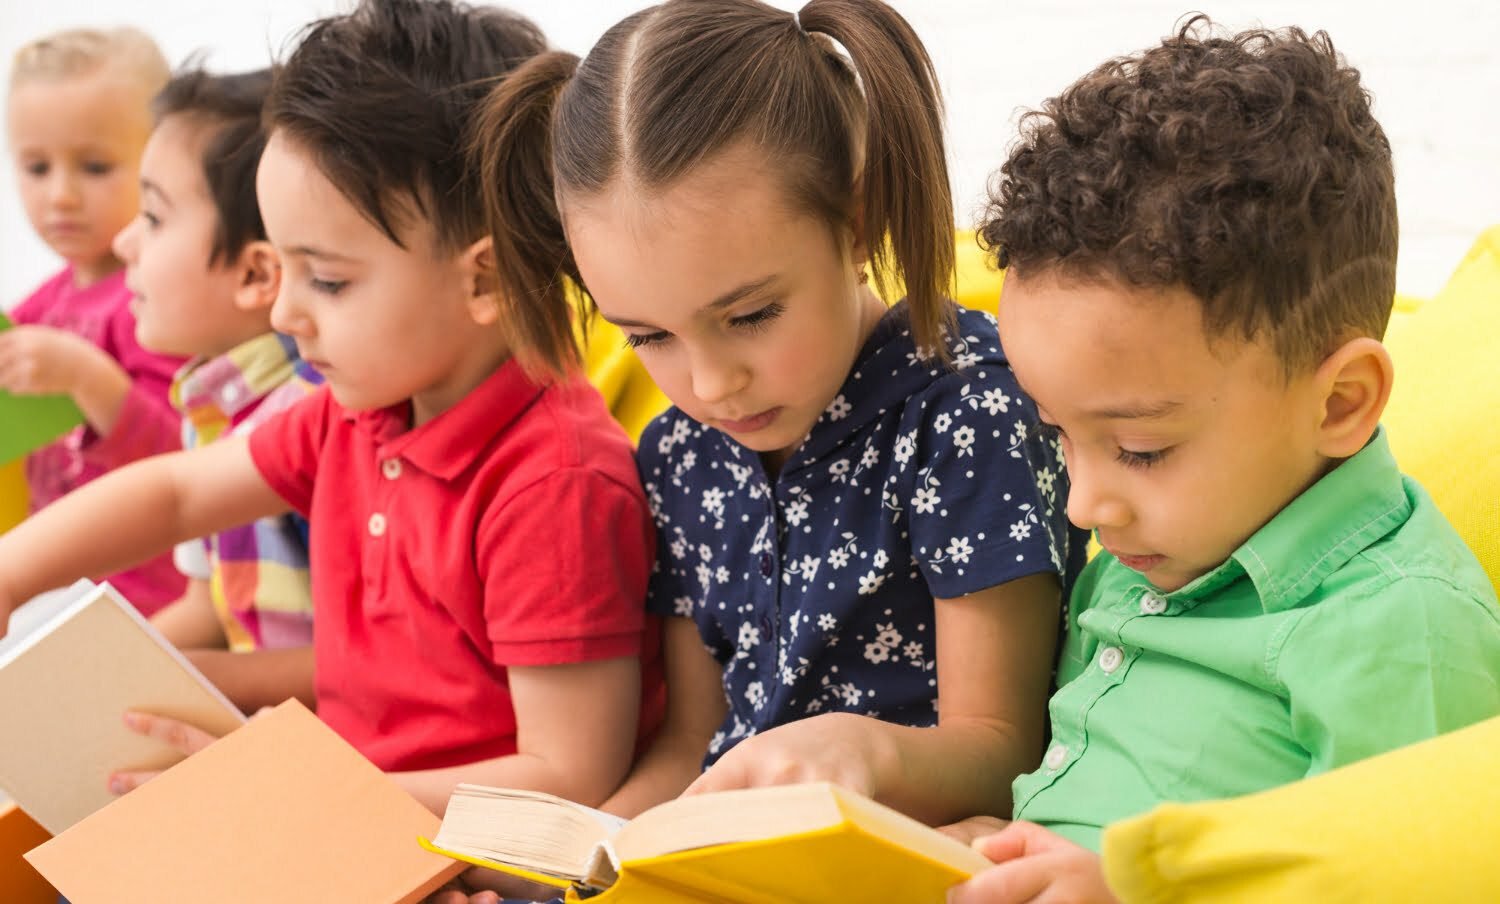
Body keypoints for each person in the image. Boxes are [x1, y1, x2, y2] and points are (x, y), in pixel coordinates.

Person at [0, 0, 664, 819]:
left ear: (484, 280)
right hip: (344, 811)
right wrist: (11, 575)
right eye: (282, 270)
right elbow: (174, 494)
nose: (284, 315)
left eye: (329, 280)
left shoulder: (553, 483)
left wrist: (293, 801)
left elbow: (568, 780)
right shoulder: (357, 415)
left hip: (457, 848)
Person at [473, 0, 1085, 829]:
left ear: (857, 217)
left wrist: (859, 753)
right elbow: (695, 738)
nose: (711, 383)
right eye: (648, 335)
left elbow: (1000, 749)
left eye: (751, 315)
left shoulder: (967, 417)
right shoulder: (680, 453)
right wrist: (597, 853)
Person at [944, 18, 1500, 902]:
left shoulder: (1401, 632)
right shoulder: (1143, 560)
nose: (1086, 505)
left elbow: (1404, 882)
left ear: (1342, 402)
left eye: (1140, 449)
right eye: (1057, 433)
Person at [109, 65, 322, 712]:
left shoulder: (315, 414)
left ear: (257, 274)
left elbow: (367, 660)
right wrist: (96, 680)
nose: (122, 242)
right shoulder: (207, 410)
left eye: (151, 216)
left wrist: (190, 681)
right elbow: (207, 609)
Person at [2, 26, 185, 613]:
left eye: (95, 166)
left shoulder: (160, 302)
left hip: (144, 598)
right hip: (50, 587)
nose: (60, 195)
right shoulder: (37, 307)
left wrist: (89, 379)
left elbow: (185, 459)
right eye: (36, 167)